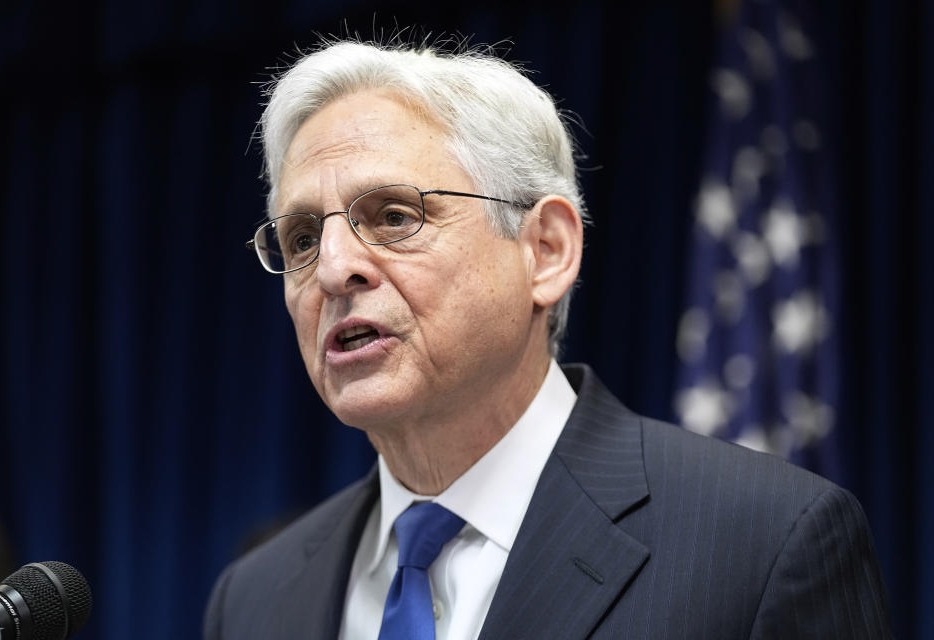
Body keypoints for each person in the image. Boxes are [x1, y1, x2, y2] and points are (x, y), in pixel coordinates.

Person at [205, 38, 892, 639]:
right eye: (300, 238)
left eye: (391, 216)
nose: (330, 268)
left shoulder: (766, 544)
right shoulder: (255, 599)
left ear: (547, 250)